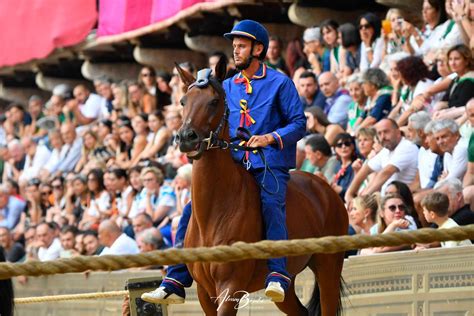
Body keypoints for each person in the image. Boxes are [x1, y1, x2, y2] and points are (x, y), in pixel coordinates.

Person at [142, 20, 306, 305]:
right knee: (191, 210)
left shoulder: (280, 82)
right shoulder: (227, 86)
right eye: (234, 47)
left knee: (271, 203)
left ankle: (278, 274)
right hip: (234, 162)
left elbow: (299, 124)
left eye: (241, 46)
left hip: (269, 163)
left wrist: (269, 138)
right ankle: (176, 278)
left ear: (258, 48)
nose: (236, 51)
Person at [345, 119, 419, 204]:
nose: (383, 137)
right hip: (387, 200)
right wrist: (349, 193)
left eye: (386, 132)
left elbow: (386, 172)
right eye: (379, 133)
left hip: (401, 202)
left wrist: (363, 200)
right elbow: (366, 169)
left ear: (398, 132)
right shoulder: (386, 150)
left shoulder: (407, 147)